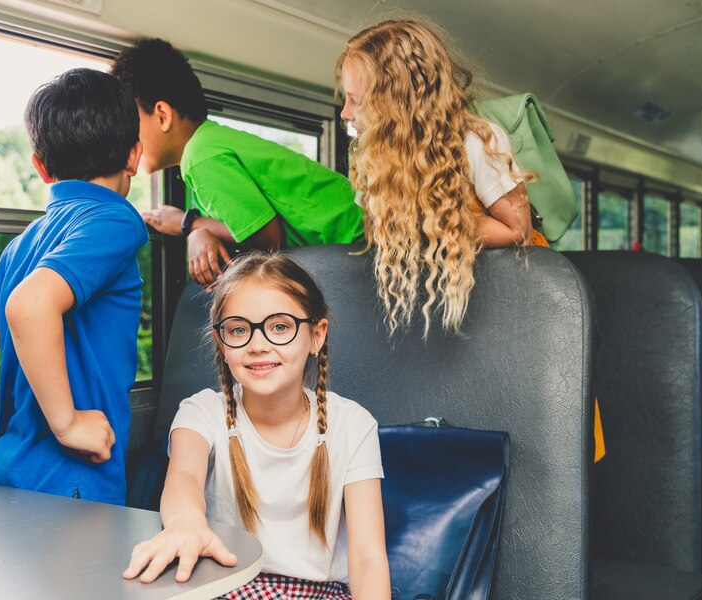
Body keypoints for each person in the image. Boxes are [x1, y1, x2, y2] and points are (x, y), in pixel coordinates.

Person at [122, 253, 390, 598]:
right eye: (238, 330)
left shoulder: (354, 424)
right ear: (222, 343)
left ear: (316, 336)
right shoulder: (201, 411)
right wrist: (186, 523)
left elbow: (368, 558)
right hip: (226, 585)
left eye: (280, 327)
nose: (258, 345)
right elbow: (184, 478)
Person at [0, 68, 148, 504]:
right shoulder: (115, 218)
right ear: (134, 156)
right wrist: (67, 424)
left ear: (40, 166)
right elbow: (31, 305)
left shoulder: (23, 244)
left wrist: (21, 421)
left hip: (2, 470)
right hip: (71, 482)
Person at [338, 19, 549, 337]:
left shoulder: (475, 140)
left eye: (358, 100)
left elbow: (517, 230)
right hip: (446, 287)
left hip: (517, 288)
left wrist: (431, 220)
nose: (345, 113)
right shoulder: (373, 155)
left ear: (401, 101)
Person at [110, 39, 364, 286]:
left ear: (163, 116)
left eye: (130, 125)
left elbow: (268, 239)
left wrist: (187, 223)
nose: (125, 139)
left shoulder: (200, 157)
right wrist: (201, 231)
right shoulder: (211, 142)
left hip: (362, 240)